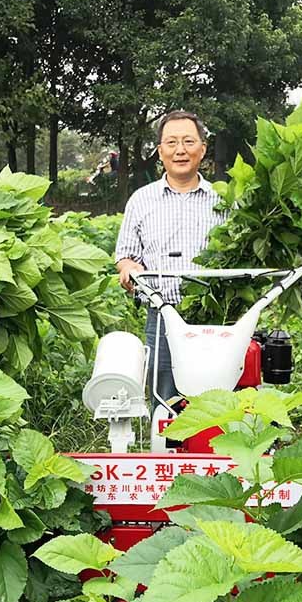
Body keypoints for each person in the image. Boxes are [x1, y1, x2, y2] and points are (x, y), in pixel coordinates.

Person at [115, 110, 226, 403]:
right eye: (171, 142)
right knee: (164, 396)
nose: (180, 150)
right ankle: (165, 433)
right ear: (160, 151)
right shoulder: (141, 200)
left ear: (203, 148)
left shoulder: (224, 199)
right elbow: (126, 255)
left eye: (189, 141)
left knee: (218, 397)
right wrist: (129, 269)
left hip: (216, 317)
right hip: (162, 314)